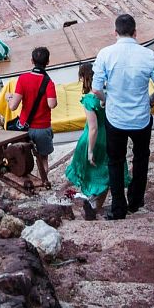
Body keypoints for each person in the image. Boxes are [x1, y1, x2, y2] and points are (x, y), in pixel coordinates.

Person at [93, 12, 154, 220]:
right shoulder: (149, 56)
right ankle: (135, 201)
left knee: (115, 161)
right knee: (141, 158)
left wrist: (106, 98)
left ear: (115, 33)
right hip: (141, 117)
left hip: (116, 117)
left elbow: (96, 89)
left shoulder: (105, 54)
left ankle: (118, 208)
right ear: (135, 33)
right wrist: (151, 99)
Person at [4, 45, 58, 190]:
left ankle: (24, 182)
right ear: (48, 62)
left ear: (32, 61)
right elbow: (52, 104)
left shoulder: (23, 79)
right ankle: (43, 182)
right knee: (43, 158)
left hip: (24, 128)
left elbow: (13, 106)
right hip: (42, 128)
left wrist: (9, 97)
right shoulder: (49, 82)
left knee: (21, 157)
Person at [63, 61, 110, 220]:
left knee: (90, 173)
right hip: (109, 137)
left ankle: (91, 203)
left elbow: (93, 128)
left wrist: (90, 150)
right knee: (105, 173)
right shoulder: (108, 94)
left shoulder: (89, 100)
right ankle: (96, 206)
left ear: (84, 78)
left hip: (93, 139)